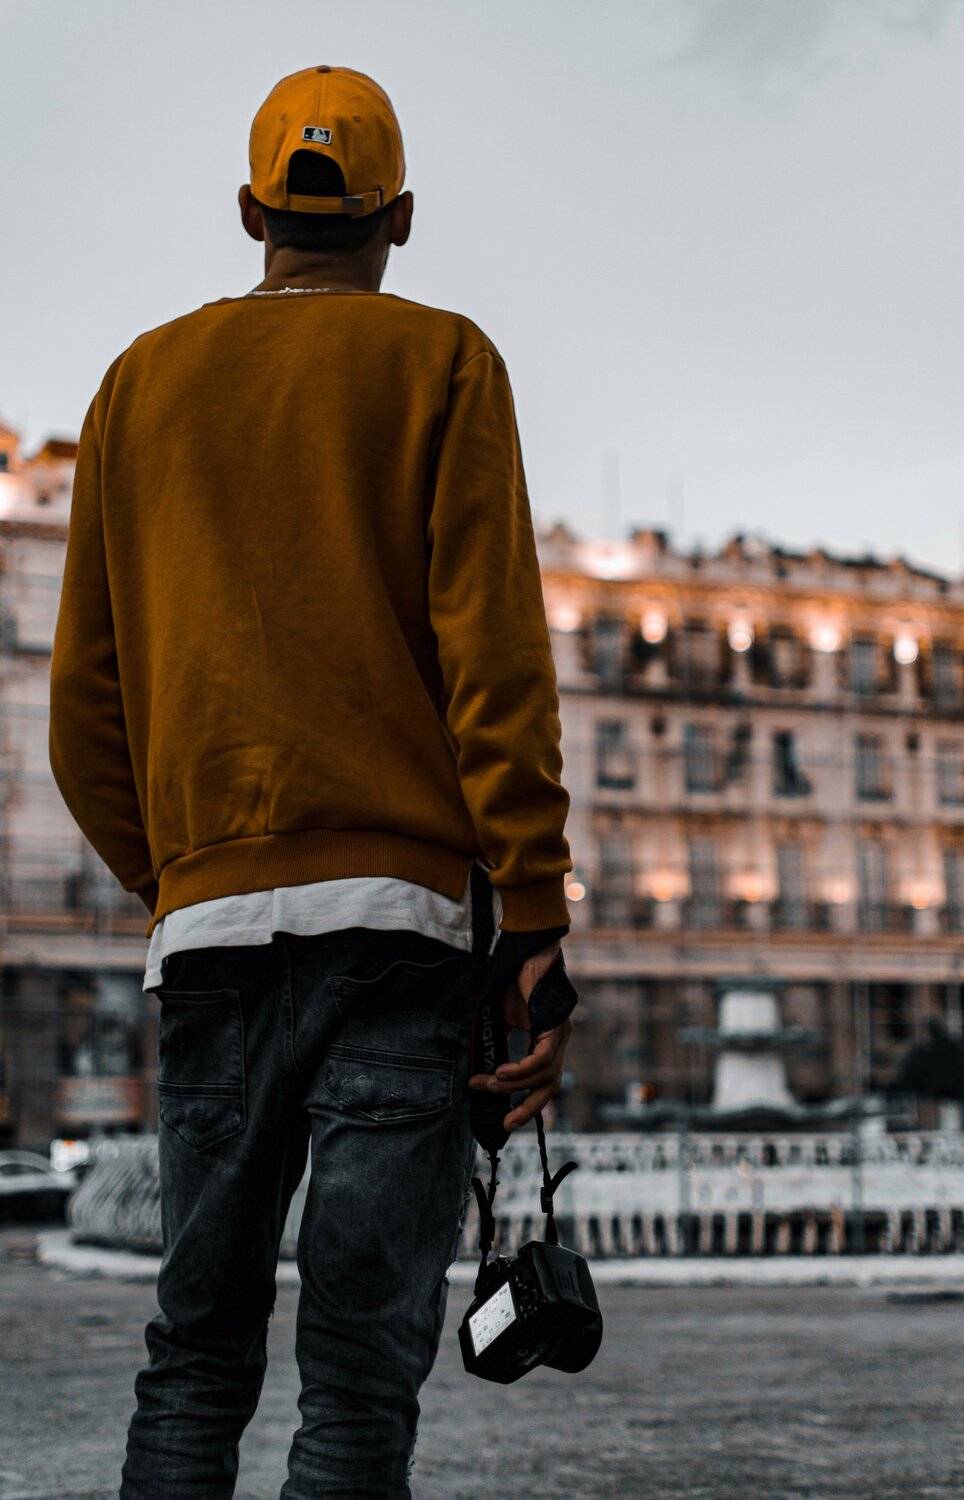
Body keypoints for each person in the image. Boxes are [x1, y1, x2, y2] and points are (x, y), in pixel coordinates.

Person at [47, 64, 576, 1500]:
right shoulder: (445, 362)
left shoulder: (137, 387)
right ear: (399, 218)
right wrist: (534, 919)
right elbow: (494, 668)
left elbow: (84, 714)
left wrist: (186, 878)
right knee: (354, 1378)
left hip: (210, 940)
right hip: (401, 939)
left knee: (194, 1354)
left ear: (250, 212)